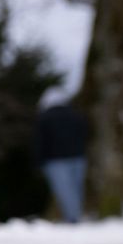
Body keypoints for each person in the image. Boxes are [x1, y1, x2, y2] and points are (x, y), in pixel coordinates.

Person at [34, 91, 90, 223]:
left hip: (56, 160)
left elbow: (40, 142)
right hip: (78, 156)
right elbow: (86, 134)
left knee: (65, 190)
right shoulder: (76, 115)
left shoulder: (44, 118)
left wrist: (38, 161)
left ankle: (73, 218)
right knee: (76, 188)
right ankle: (76, 214)